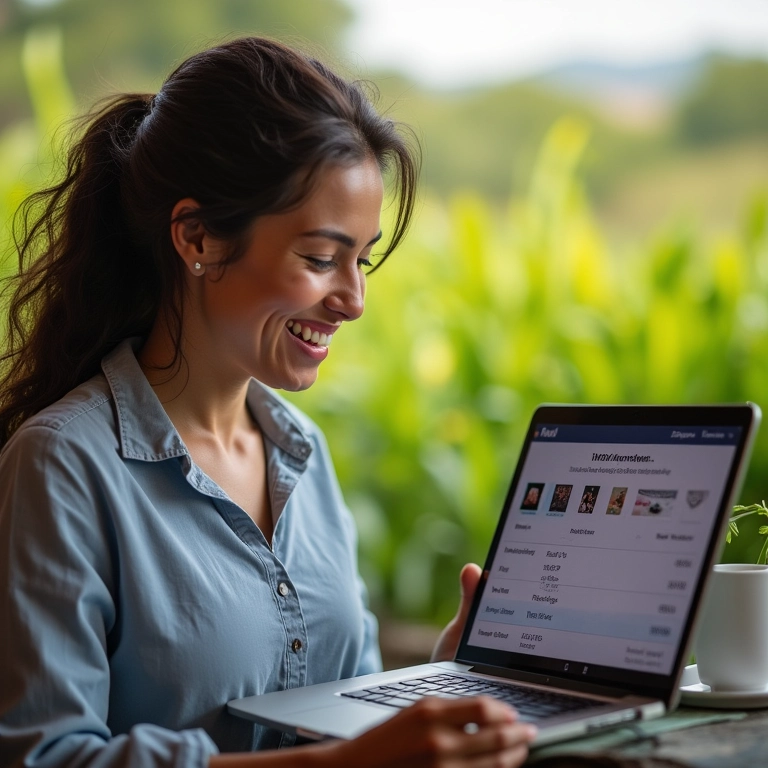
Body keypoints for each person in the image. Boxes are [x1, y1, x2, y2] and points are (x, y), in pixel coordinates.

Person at [0, 37, 537, 768]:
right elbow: (44, 758)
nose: (352, 300)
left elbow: (337, 714)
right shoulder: (62, 466)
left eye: (362, 258)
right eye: (320, 258)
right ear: (197, 237)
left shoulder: (301, 455)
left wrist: (433, 686)